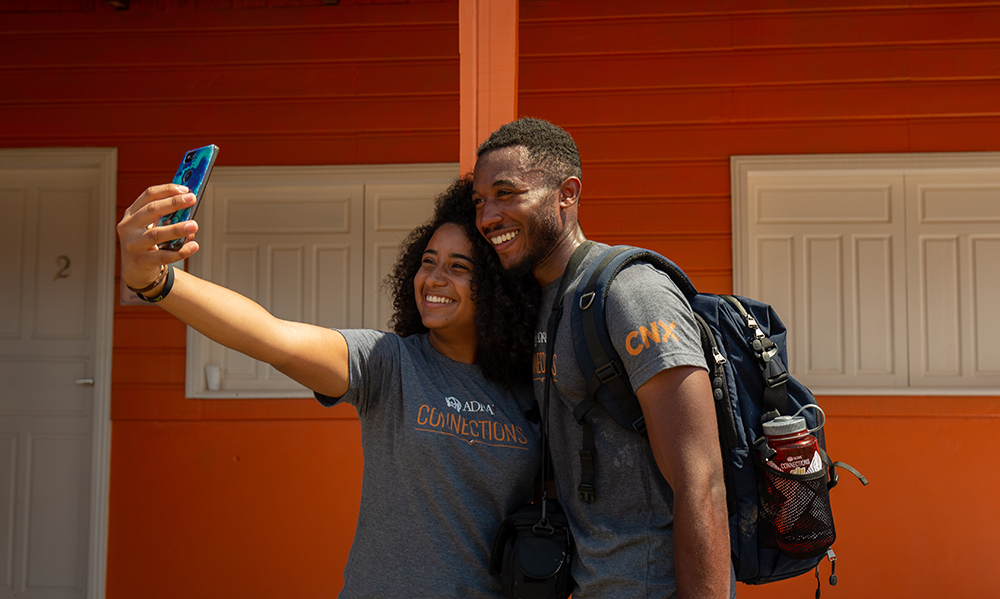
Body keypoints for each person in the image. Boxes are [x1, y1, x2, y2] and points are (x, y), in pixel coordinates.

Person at [117, 177, 543, 598]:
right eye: (427, 261)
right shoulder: (389, 363)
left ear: (497, 287)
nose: (433, 278)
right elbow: (270, 336)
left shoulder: (532, 390)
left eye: (459, 267)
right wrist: (156, 282)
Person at [471, 118, 733, 599]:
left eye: (506, 193)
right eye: (480, 201)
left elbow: (702, 480)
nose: (488, 215)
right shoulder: (542, 300)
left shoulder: (631, 294)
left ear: (566, 194)